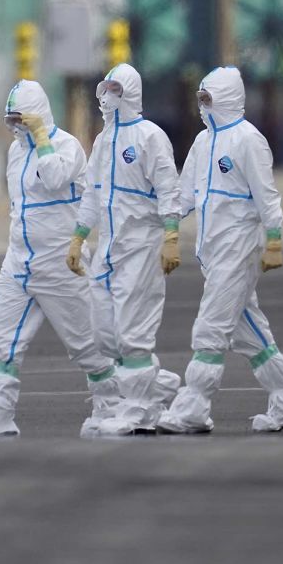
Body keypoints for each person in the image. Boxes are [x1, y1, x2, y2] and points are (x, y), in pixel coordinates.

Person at [0, 81, 121, 439]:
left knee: (87, 343)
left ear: (38, 116)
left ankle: (115, 404)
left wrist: (42, 137)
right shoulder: (15, 153)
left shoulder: (67, 146)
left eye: (21, 119)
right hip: (19, 262)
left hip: (61, 264)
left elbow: (57, 178)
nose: (15, 126)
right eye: (10, 119)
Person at [157, 67, 283, 434]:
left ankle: (193, 406)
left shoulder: (249, 140)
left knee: (210, 327)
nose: (201, 106)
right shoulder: (203, 142)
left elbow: (267, 195)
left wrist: (274, 240)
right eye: (199, 98)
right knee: (248, 330)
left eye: (207, 98)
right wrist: (167, 228)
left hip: (240, 245)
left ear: (225, 98)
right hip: (212, 248)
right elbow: (185, 194)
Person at [68, 63, 182, 437]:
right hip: (108, 249)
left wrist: (171, 237)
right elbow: (92, 193)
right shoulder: (104, 140)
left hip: (142, 246)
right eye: (105, 89)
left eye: (115, 89)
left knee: (133, 332)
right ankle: (154, 384)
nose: (107, 97)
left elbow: (168, 188)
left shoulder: (150, 137)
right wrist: (79, 237)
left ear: (130, 93)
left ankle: (139, 411)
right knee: (104, 333)